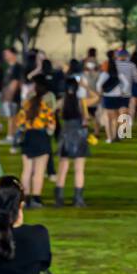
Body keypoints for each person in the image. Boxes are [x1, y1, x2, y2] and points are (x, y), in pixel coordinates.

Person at [15, 77, 56, 208]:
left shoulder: (26, 105)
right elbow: (51, 126)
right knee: (39, 171)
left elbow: (19, 123)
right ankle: (36, 198)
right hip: (41, 138)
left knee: (26, 170)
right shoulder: (46, 107)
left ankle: (25, 198)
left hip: (28, 137)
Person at [54, 77, 90, 207]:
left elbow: (49, 109)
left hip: (65, 134)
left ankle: (59, 199)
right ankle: (78, 199)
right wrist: (86, 87)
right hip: (79, 135)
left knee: (62, 168)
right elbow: (97, 97)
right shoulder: (81, 102)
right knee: (79, 169)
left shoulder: (62, 101)